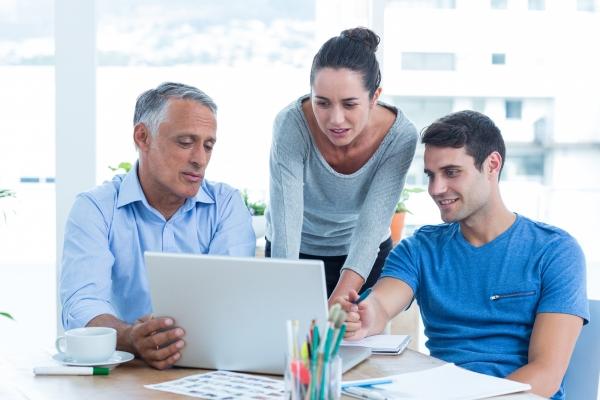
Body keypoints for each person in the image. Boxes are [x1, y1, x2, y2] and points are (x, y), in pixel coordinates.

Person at [341, 110, 589, 400]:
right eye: (431, 175)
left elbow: (546, 374)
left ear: (492, 165)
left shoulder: (555, 251)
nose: (436, 189)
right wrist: (366, 316)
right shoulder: (419, 249)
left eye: (451, 172)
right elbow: (381, 305)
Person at [60, 82, 256, 369]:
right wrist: (130, 336)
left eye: (208, 145)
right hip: (122, 373)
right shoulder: (95, 208)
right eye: (185, 142)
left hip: (207, 372)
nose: (199, 159)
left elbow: (228, 304)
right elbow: (82, 303)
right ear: (143, 137)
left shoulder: (226, 205)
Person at [265, 27, 417, 303]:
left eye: (349, 105)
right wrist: (284, 293)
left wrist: (338, 300)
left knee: (359, 343)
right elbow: (286, 223)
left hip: (363, 255)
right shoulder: (291, 124)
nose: (335, 119)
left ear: (374, 97)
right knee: (290, 340)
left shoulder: (400, 136)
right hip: (297, 251)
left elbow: (371, 227)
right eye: (322, 103)